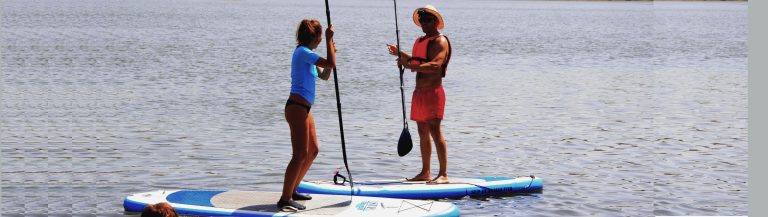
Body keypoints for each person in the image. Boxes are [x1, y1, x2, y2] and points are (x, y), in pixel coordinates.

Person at [387, 5, 452, 184]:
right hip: (419, 93)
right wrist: (399, 53)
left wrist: (409, 66)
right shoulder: (422, 40)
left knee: (435, 131)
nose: (423, 23)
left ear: (435, 22)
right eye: (421, 20)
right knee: (422, 131)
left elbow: (435, 65)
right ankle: (425, 172)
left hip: (433, 93)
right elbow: (417, 60)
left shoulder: (441, 41)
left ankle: (444, 174)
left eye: (427, 20)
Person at [278, 19, 336, 211]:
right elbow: (331, 63)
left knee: (313, 151)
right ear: (317, 37)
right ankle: (285, 199)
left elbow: (326, 74)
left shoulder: (308, 56)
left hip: (304, 108)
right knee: (300, 154)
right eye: (321, 36)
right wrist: (330, 42)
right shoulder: (302, 52)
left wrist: (332, 49)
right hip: (295, 107)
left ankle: (293, 190)